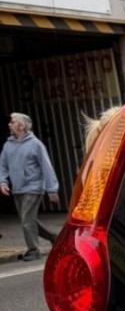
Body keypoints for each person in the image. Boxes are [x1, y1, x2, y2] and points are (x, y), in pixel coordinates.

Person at [0, 112, 60, 261]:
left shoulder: (36, 144)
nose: (9, 124)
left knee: (27, 219)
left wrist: (52, 189)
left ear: (21, 126)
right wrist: (3, 182)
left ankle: (33, 250)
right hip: (17, 188)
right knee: (28, 220)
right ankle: (53, 237)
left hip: (33, 187)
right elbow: (3, 166)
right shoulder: (8, 145)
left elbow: (46, 167)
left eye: (12, 122)